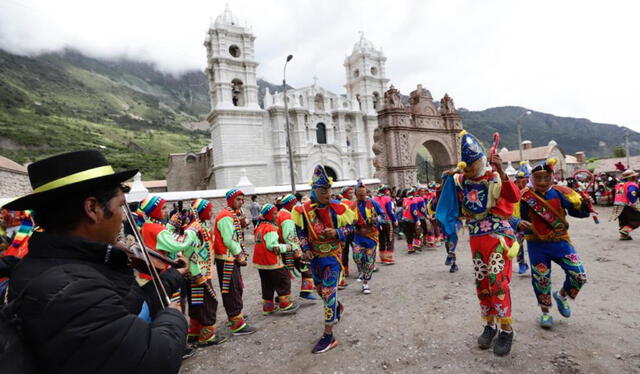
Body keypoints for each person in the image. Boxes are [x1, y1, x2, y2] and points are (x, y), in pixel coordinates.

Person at [3, 150, 190, 373]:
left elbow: (126, 309)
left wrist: (172, 276)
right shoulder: (71, 291)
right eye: (120, 205)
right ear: (92, 208)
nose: (123, 216)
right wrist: (174, 317)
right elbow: (154, 360)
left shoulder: (58, 266)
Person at [437, 130, 520, 356]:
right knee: (482, 282)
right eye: (466, 166)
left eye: (473, 165)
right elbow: (444, 202)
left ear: (481, 161)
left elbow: (514, 197)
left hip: (497, 237)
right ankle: (489, 325)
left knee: (498, 281)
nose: (469, 170)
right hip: (476, 238)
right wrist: (446, 178)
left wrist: (501, 170)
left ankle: (506, 329)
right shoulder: (461, 180)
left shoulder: (493, 176)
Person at [518, 158, 590, 329]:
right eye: (538, 178)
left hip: (561, 242)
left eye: (546, 177)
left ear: (552, 177)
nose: (542, 182)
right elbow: (517, 219)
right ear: (531, 179)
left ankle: (561, 295)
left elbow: (577, 213)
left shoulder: (560, 193)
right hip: (537, 244)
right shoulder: (525, 197)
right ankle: (545, 312)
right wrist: (520, 224)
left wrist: (584, 205)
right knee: (541, 279)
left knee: (579, 275)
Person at [291, 165, 355, 354]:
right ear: (314, 191)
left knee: (327, 292)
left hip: (332, 257)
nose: (327, 193)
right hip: (315, 258)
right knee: (320, 290)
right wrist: (304, 248)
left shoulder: (338, 209)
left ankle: (328, 336)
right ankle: (337, 306)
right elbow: (300, 230)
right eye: (322, 190)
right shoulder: (304, 210)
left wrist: (336, 232)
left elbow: (351, 228)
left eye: (328, 189)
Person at [213, 188, 257, 335]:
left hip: (229, 257)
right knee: (232, 289)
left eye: (242, 199)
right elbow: (229, 239)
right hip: (227, 258)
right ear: (230, 200)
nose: (241, 202)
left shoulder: (232, 214)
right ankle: (237, 324)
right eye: (238, 199)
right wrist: (240, 255)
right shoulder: (225, 216)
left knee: (236, 286)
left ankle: (235, 316)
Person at [253, 203, 300, 315]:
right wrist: (287, 247)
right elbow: (272, 246)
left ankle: (268, 307)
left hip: (261, 262)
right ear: (269, 215)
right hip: (271, 261)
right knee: (283, 280)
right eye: (274, 213)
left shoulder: (259, 226)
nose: (276, 215)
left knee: (267, 284)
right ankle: (285, 304)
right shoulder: (270, 228)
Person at [277, 193, 317, 300]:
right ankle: (305, 291)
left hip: (282, 248)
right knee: (305, 266)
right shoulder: (287, 216)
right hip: (289, 248)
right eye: (295, 203)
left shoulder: (280, 213)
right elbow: (288, 236)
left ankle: (280, 296)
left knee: (283, 273)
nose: (296, 205)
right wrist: (296, 249)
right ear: (290, 204)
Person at [352, 179, 386, 293]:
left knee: (369, 260)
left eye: (363, 194)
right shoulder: (352, 205)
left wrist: (376, 219)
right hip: (358, 236)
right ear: (356, 194)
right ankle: (361, 270)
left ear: (366, 193)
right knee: (357, 256)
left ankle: (365, 283)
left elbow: (383, 215)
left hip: (371, 237)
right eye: (359, 194)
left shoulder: (373, 203)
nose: (362, 196)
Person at [611, 168, 640, 240]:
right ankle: (625, 231)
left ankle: (623, 236)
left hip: (617, 205)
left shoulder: (618, 185)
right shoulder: (632, 184)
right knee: (636, 219)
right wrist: (633, 202)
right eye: (634, 176)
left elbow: (614, 193)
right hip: (627, 205)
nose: (636, 177)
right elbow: (631, 192)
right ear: (631, 177)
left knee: (623, 220)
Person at [373, 185, 398, 264]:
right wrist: (394, 219)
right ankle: (388, 258)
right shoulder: (387, 199)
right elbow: (389, 211)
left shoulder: (374, 199)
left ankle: (383, 258)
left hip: (378, 222)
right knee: (390, 238)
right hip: (387, 221)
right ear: (385, 191)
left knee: (381, 239)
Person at [338, 186, 356, 285]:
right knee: (356, 249)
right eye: (349, 193)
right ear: (345, 194)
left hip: (342, 232)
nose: (351, 194)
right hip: (351, 230)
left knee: (344, 251)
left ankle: (345, 270)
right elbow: (355, 218)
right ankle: (361, 268)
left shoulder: (339, 204)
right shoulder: (350, 204)